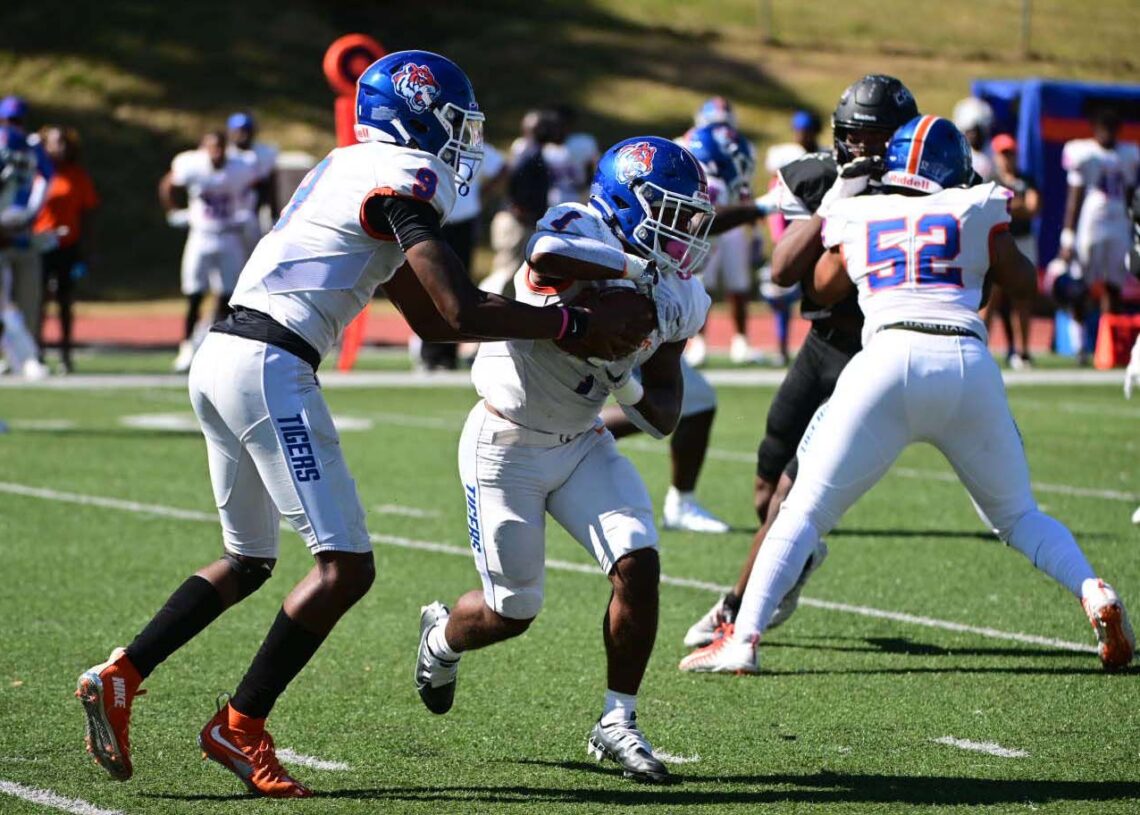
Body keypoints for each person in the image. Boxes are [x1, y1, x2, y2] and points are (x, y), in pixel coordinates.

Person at [75, 50, 650, 799]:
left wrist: (541, 320)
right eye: (458, 124)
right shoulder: (409, 175)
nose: (464, 142)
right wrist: (570, 319)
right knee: (346, 566)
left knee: (248, 558)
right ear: (421, 117)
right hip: (270, 361)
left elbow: (427, 313)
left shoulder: (353, 166)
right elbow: (457, 311)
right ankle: (239, 725)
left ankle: (120, 674)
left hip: (223, 354)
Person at [679, 115, 1134, 675]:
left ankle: (742, 639)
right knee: (1018, 518)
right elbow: (1021, 282)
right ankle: (1092, 590)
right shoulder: (975, 207)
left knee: (800, 511)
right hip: (967, 362)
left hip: (887, 362)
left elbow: (820, 287)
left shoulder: (861, 210)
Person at [414, 136, 714, 784]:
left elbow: (662, 411)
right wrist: (630, 277)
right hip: (505, 444)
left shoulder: (680, 292)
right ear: (629, 203)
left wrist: (621, 373)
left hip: (580, 442)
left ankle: (617, 720)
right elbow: (546, 252)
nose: (683, 229)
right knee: (511, 611)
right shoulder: (578, 224)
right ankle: (440, 638)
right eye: (669, 210)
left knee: (638, 561)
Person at [682, 75, 919, 649]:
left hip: (869, 353)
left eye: (883, 138)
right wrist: (837, 197)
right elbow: (783, 272)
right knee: (766, 489)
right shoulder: (819, 177)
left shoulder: (919, 190)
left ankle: (733, 611)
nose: (870, 150)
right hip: (819, 347)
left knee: (788, 498)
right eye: (860, 137)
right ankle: (799, 558)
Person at [160, 130, 259, 372]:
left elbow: (261, 184)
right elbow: (167, 185)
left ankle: (217, 347)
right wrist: (173, 211)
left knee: (228, 296)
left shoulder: (240, 167)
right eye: (211, 147)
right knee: (194, 294)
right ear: (203, 149)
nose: (216, 152)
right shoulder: (191, 165)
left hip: (228, 235)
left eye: (220, 147)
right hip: (201, 235)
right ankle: (186, 348)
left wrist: (251, 209)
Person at [417, 141, 507, 370]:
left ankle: (449, 352)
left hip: (463, 221)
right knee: (430, 282)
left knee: (458, 284)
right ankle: (431, 351)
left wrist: (480, 195)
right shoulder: (428, 144)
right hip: (435, 218)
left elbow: (501, 168)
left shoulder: (472, 146)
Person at [682, 98, 758, 366]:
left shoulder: (744, 146)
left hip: (724, 218)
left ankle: (739, 341)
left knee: (732, 283)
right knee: (701, 280)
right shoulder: (686, 143)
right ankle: (700, 342)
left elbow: (745, 188)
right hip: (707, 217)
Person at [1060, 107, 1139, 319]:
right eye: (1103, 129)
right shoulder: (1083, 152)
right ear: (1094, 130)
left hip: (1119, 223)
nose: (1107, 134)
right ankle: (1079, 345)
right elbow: (1074, 197)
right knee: (1081, 285)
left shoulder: (1129, 154)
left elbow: (1131, 196)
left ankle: (1108, 339)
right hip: (1092, 222)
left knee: (1115, 285)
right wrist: (1067, 236)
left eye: (1112, 129)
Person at [33, 125, 99, 373]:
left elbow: (88, 213)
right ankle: (34, 353)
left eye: (62, 142)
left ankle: (65, 354)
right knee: (36, 302)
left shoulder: (76, 175)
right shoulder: (37, 173)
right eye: (53, 143)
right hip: (39, 245)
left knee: (65, 300)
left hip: (67, 246)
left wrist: (89, 248)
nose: (58, 147)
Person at [0, 95, 53, 359]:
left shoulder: (32, 148)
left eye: (16, 120)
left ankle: (29, 355)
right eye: (8, 120)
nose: (12, 125)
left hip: (22, 231)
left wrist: (29, 214)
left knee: (29, 298)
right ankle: (7, 356)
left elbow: (46, 180)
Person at [985, 133, 1040, 369]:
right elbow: (991, 208)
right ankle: (980, 347)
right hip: (999, 239)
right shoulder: (990, 179)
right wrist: (1017, 205)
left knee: (1022, 297)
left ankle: (1023, 352)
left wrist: (1009, 205)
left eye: (1011, 153)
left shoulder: (1026, 179)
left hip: (1023, 240)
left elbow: (1033, 207)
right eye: (1003, 153)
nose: (1008, 158)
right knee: (990, 298)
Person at [226, 112, 280, 257]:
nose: (242, 135)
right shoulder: (224, 155)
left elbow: (271, 186)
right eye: (238, 130)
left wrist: (274, 213)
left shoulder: (265, 153)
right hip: (226, 217)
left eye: (246, 130)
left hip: (254, 216)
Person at [952, 96, 995, 182]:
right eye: (970, 131)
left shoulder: (994, 153)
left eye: (977, 131)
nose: (974, 135)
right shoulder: (957, 156)